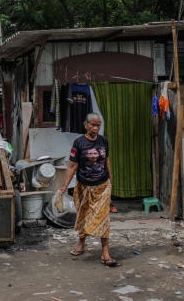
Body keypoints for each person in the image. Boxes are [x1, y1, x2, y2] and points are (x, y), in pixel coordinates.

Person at [58, 113, 121, 267]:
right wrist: (65, 186)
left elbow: (106, 161)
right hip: (83, 186)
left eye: (98, 125)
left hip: (102, 185)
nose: (95, 128)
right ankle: (81, 244)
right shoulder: (79, 143)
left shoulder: (104, 141)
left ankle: (105, 253)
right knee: (83, 215)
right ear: (86, 125)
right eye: (93, 125)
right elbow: (73, 166)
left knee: (103, 218)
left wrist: (110, 181)